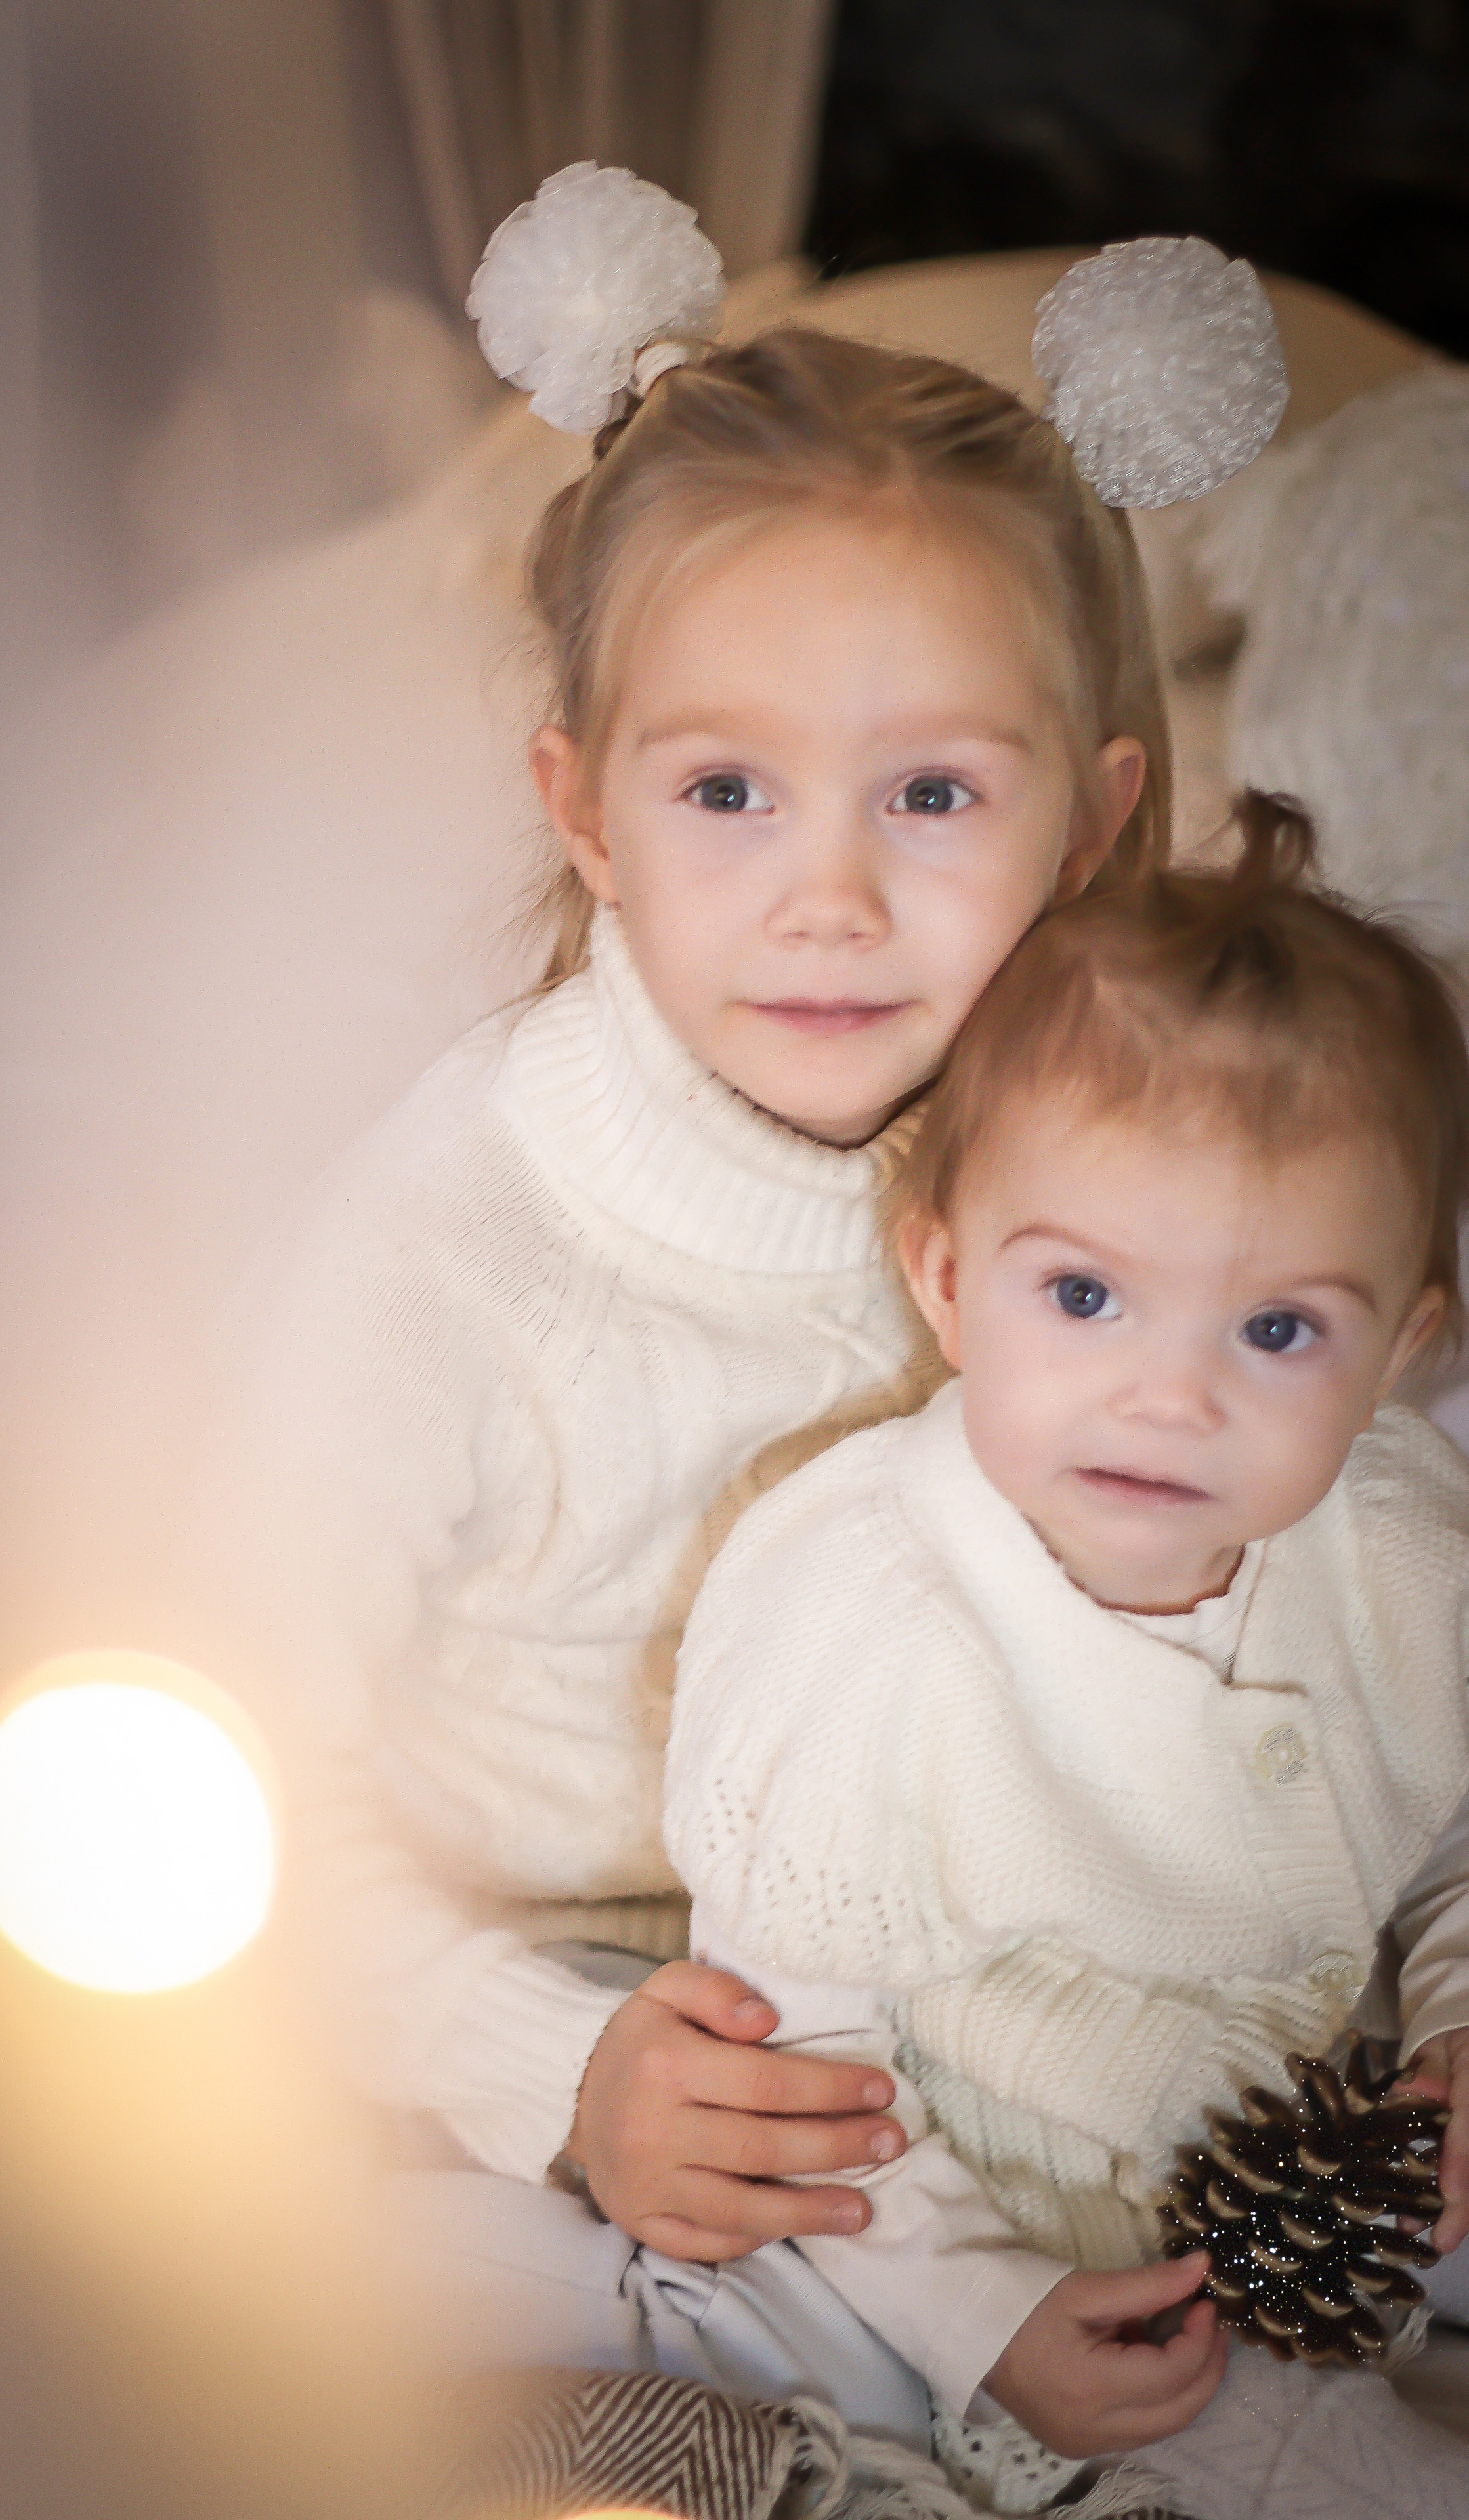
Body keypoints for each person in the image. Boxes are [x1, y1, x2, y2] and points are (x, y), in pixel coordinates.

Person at [208, 171, 1283, 2455]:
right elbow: (223, 1780)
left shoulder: (1118, 1164)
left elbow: (1308, 1541)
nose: (832, 895)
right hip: (560, 1959)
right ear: (586, 810)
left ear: (1087, 826)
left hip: (946, 1923)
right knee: (434, 2283)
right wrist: (538, 2059)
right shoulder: (449, 1249)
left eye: (928, 792)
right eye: (728, 789)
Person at [664, 795, 1469, 2515]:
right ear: (948, 1283)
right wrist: (982, 2307)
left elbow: (1457, 1836)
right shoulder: (870, 1629)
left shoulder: (1401, 1538)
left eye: (1276, 1328)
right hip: (1071, 2231)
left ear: (1400, 1348)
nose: (1171, 1396)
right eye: (1086, 1298)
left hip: (1351, 2154)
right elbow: (796, 2053)